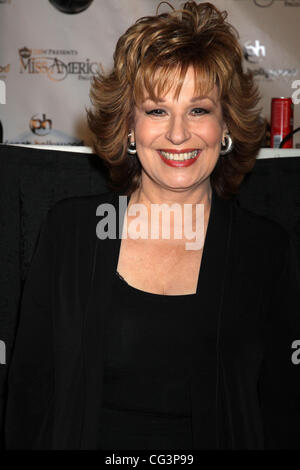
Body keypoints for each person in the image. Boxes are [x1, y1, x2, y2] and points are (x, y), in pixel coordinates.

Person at [5, 1, 300, 450]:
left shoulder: (266, 252)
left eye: (199, 110)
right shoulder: (71, 233)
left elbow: (283, 412)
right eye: (157, 111)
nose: (178, 134)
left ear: (225, 126)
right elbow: (30, 399)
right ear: (128, 125)